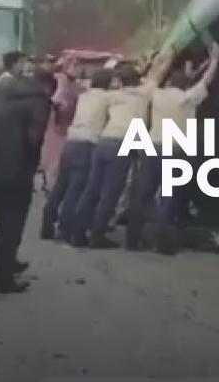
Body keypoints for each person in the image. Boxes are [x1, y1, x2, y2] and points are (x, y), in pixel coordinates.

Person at [67, 48, 174, 249]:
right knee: (111, 192)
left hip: (104, 140)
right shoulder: (144, 93)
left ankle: (78, 232)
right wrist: (167, 55)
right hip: (123, 143)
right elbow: (159, 72)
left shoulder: (112, 96)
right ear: (137, 80)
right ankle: (97, 237)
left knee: (92, 189)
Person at [127, 44, 219, 252]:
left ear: (169, 83)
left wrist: (167, 57)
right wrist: (214, 60)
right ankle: (162, 243)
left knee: (143, 193)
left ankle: (132, 240)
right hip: (176, 151)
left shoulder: (158, 95)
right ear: (184, 87)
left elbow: (154, 76)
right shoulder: (187, 99)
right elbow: (206, 80)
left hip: (152, 147)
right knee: (169, 198)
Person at [0, 68, 50, 294]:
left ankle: (8, 260)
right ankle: (3, 276)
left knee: (2, 215)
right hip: (15, 166)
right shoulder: (39, 101)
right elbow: (35, 138)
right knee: (14, 218)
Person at [41, 66, 111, 242]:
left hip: (71, 141)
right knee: (76, 189)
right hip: (88, 143)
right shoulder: (108, 98)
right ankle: (66, 228)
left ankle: (47, 225)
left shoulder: (83, 96)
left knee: (60, 186)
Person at [39, 54, 80, 192]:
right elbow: (58, 100)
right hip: (57, 125)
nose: (79, 69)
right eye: (75, 65)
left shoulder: (72, 83)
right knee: (54, 159)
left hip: (65, 125)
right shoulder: (61, 80)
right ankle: (51, 186)